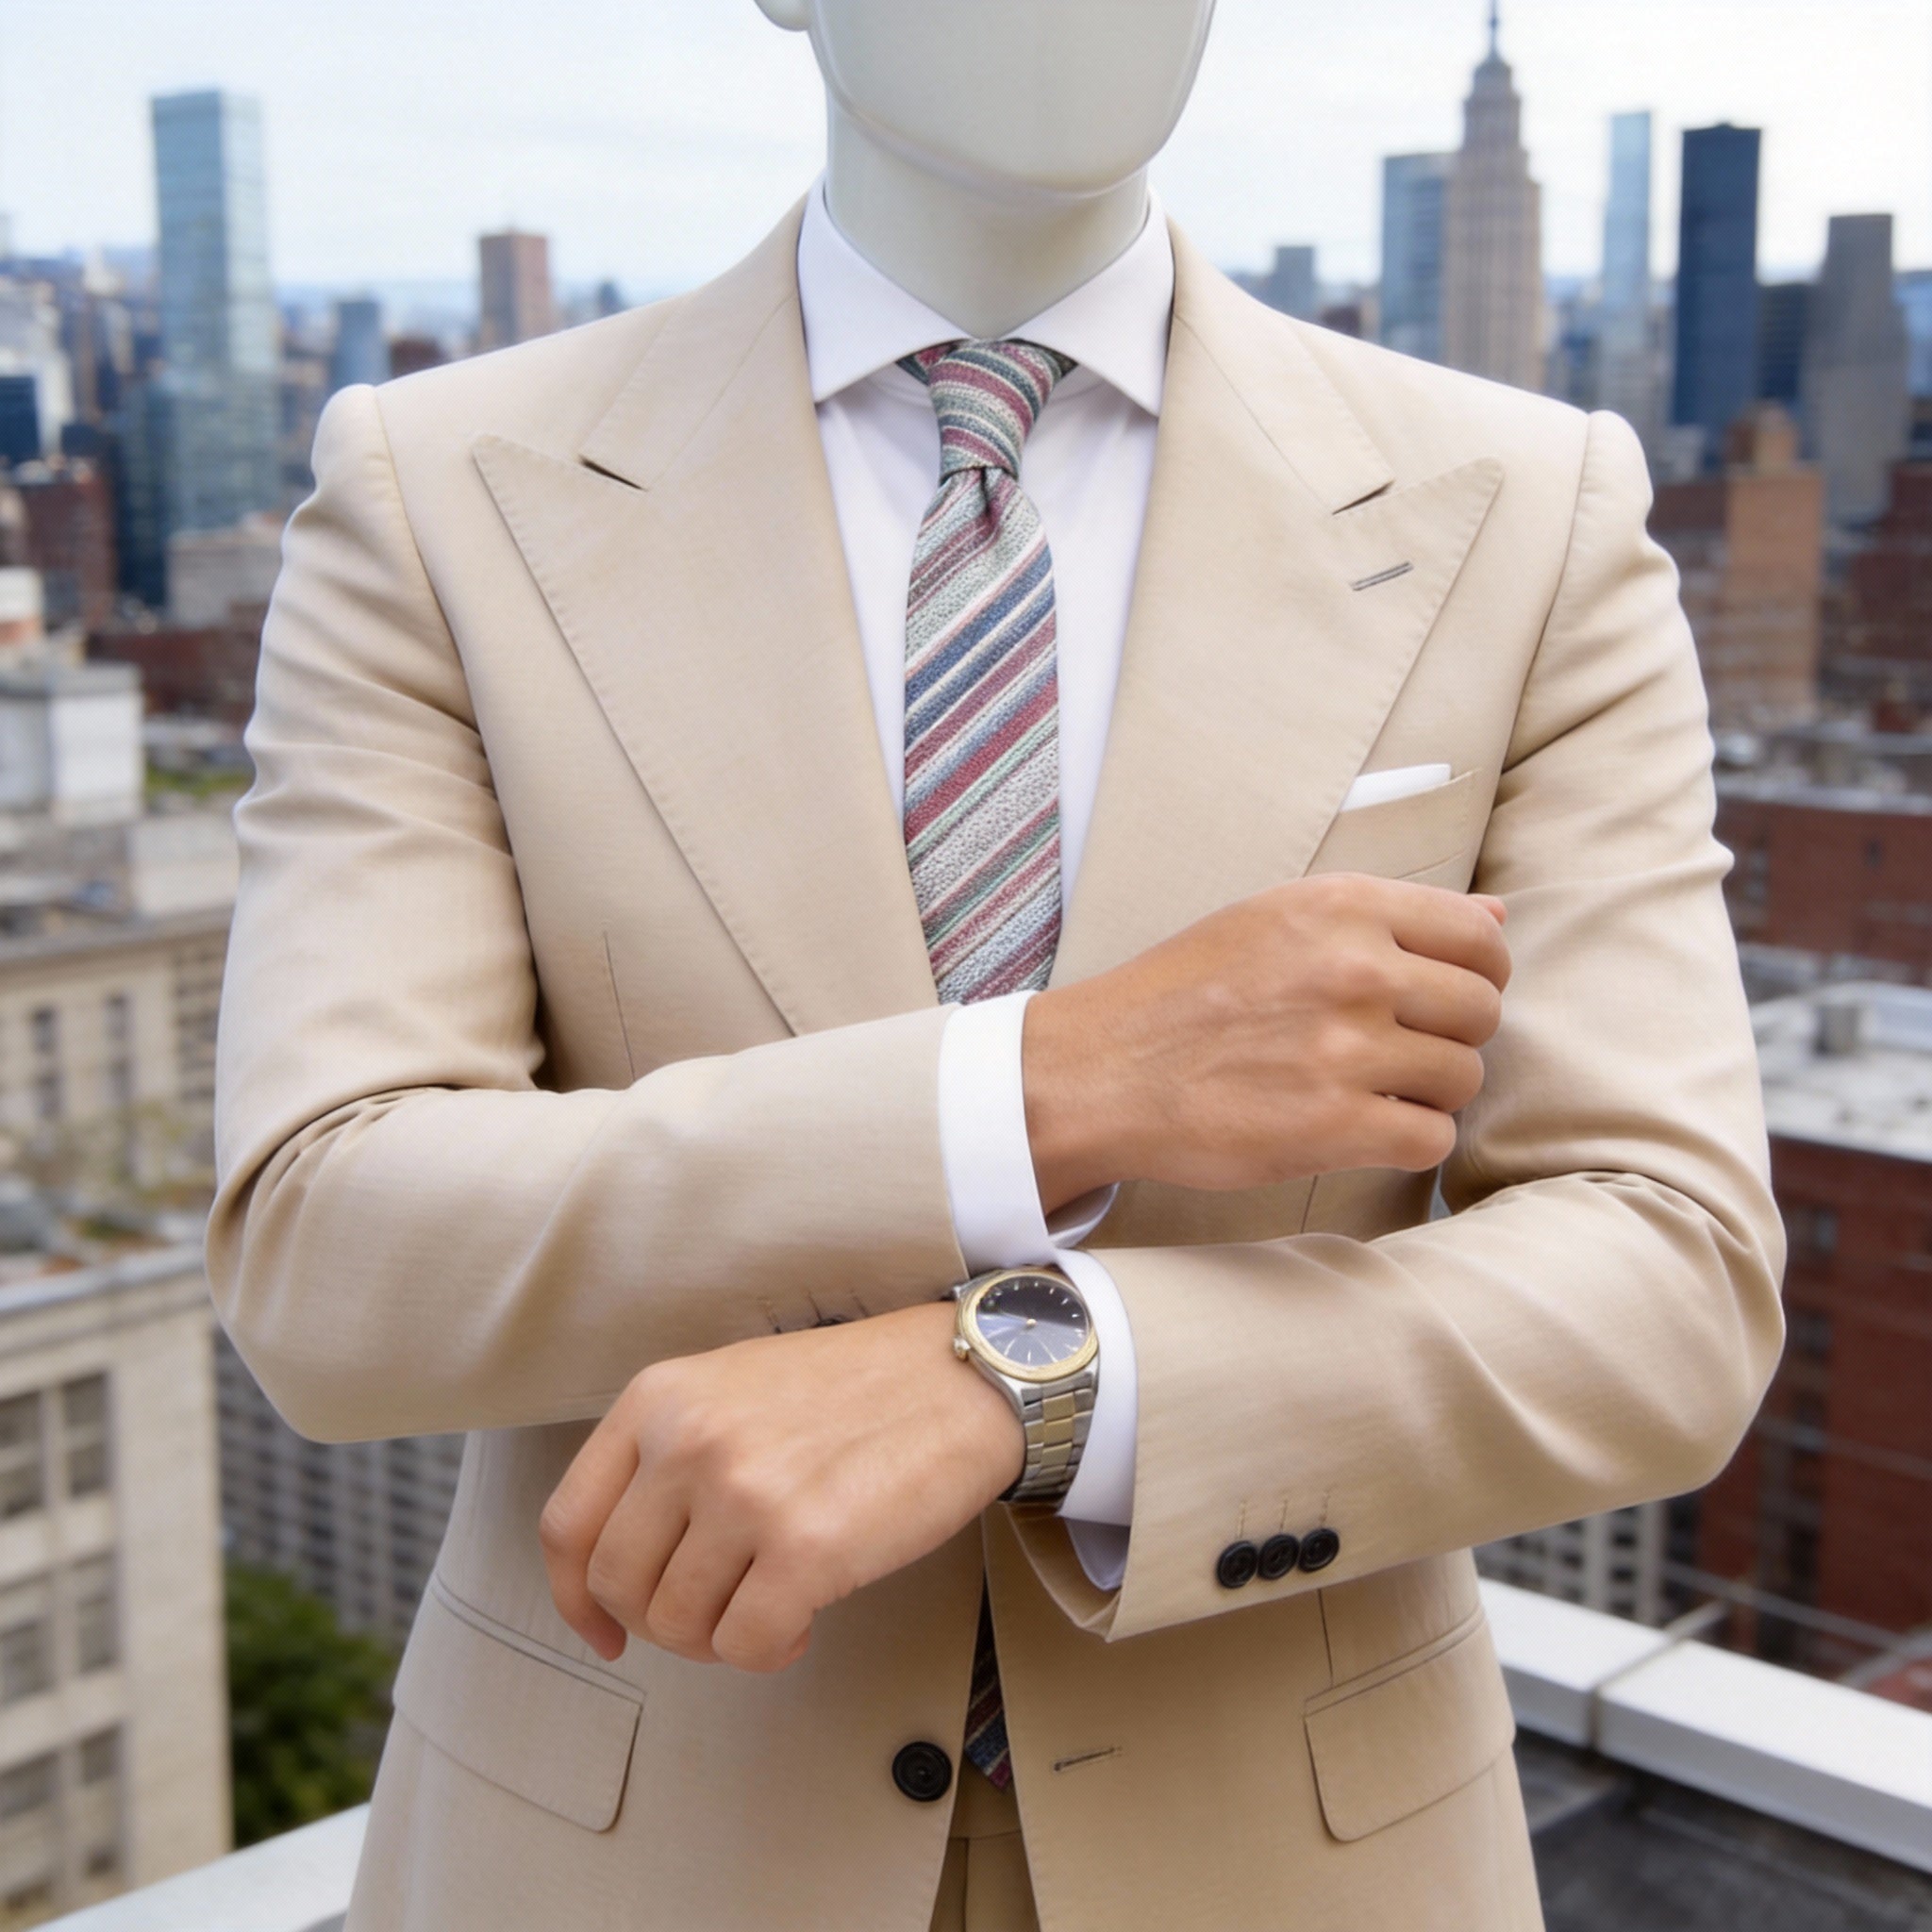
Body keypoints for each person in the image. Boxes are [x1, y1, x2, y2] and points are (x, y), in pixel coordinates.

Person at [208, 3, 1786, 1926]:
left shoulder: (1527, 515)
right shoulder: (442, 493)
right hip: (626, 1849)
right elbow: (322, 1240)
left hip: (1294, 1858)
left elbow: (1668, 1278)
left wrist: (1028, 1383)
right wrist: (1041, 1085)